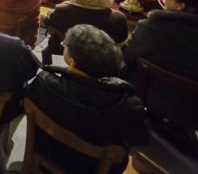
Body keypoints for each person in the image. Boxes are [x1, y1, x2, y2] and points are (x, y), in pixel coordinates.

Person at [28, 25, 147, 174]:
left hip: (46, 154)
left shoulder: (45, 82)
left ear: (72, 59)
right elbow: (136, 140)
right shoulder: (129, 105)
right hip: (92, 167)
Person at [122, 0, 198, 131]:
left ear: (180, 6)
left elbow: (128, 57)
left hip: (148, 98)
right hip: (192, 114)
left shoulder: (153, 26)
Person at [44, 0, 127, 62]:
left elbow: (48, 24)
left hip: (61, 59)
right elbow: (120, 47)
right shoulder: (118, 19)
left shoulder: (62, 10)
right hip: (100, 66)